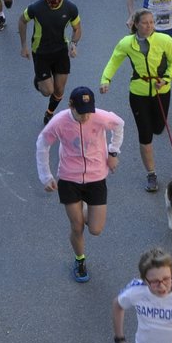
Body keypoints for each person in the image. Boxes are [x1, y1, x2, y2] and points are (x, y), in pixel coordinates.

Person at [36, 86, 125, 282]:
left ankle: (84, 207)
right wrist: (46, 176)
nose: (86, 117)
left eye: (89, 112)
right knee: (77, 226)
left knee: (95, 229)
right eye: (81, 113)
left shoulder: (99, 117)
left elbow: (119, 124)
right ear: (71, 106)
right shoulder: (59, 122)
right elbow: (42, 143)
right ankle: (80, 260)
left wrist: (113, 152)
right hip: (69, 178)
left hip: (96, 178)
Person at [100, 9, 172, 193]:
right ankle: (151, 174)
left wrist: (167, 78)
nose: (150, 26)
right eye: (145, 23)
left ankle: (154, 134)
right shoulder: (127, 43)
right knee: (145, 135)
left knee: (159, 128)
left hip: (162, 91)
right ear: (136, 24)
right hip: (138, 93)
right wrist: (106, 80)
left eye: (152, 22)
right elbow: (114, 61)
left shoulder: (164, 40)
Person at [19, 0, 81, 124]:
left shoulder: (70, 8)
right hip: (41, 53)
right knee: (48, 91)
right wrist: (24, 46)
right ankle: (39, 80)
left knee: (59, 91)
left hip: (60, 52)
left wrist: (73, 44)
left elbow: (77, 28)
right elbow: (22, 21)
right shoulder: (36, 8)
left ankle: (50, 112)